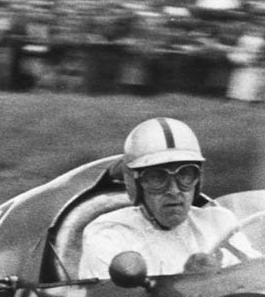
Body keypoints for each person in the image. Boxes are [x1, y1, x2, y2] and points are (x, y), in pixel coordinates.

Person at [78, 117, 238, 279]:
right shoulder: (110, 236)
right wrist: (189, 283)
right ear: (137, 184)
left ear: (197, 180)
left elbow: (255, 278)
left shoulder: (220, 223)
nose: (174, 190)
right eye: (157, 178)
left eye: (185, 175)